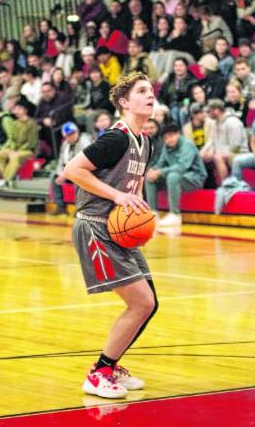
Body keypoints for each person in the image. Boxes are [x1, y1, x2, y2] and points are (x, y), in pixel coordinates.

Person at [63, 72, 157, 399]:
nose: (150, 95)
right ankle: (99, 373)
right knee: (141, 302)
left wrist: (141, 218)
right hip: (95, 226)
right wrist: (118, 198)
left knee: (150, 302)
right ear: (123, 102)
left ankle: (111, 366)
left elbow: (136, 184)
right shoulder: (115, 138)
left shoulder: (145, 140)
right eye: (142, 91)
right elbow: (72, 170)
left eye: (151, 91)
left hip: (119, 228)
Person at [49, 122, 93, 215]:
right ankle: (60, 207)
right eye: (68, 135)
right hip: (70, 171)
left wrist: (65, 175)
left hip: (86, 170)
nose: (71, 136)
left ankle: (80, 208)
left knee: (78, 179)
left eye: (73, 133)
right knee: (54, 177)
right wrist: (60, 173)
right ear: (64, 136)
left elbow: (83, 162)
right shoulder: (65, 144)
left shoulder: (85, 141)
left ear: (77, 132)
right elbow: (61, 161)